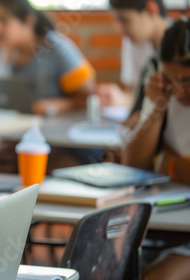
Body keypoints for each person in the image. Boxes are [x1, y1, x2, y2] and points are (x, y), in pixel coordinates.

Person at [122, 19, 190, 279]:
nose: (178, 89)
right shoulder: (165, 91)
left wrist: (166, 161)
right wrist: (157, 106)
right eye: (170, 79)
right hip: (168, 221)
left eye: (186, 80)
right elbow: (133, 164)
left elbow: (162, 164)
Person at [0, 0, 96, 116]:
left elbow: (89, 96)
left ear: (28, 20)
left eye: (3, 20)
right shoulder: (6, 52)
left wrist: (56, 106)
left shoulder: (55, 47)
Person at [98, 0, 169, 119]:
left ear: (151, 9)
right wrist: (120, 98)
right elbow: (135, 93)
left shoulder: (181, 45)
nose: (119, 30)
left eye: (124, 20)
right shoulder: (133, 43)